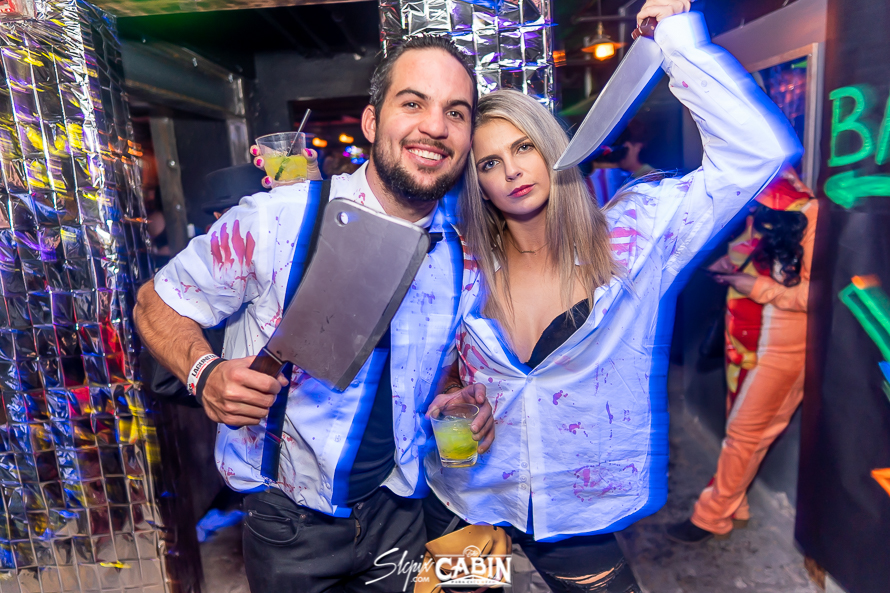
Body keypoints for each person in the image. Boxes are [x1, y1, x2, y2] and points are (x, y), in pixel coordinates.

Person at [421, 2, 801, 592]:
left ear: (554, 148)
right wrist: (448, 393)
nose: (513, 171)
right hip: (465, 498)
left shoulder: (631, 237)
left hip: (574, 514)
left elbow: (757, 155)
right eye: (490, 162)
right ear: (479, 184)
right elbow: (435, 366)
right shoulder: (460, 263)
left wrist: (676, 42)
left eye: (525, 147)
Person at [133, 35, 495, 593]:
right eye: (413, 103)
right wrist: (204, 372)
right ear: (372, 121)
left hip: (400, 511)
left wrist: (457, 397)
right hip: (289, 526)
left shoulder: (462, 255)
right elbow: (154, 302)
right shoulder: (278, 218)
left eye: (456, 112)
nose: (434, 126)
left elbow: (438, 368)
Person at [667, 171, 816, 544]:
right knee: (741, 432)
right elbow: (753, 253)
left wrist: (755, 286)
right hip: (742, 339)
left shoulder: (811, 214)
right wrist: (730, 267)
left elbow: (814, 295)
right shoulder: (762, 204)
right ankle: (737, 507)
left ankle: (711, 516)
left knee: (744, 436)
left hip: (780, 351)